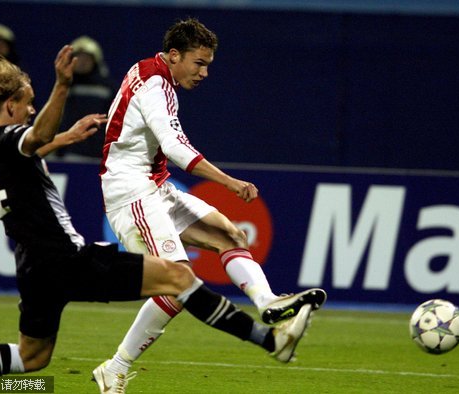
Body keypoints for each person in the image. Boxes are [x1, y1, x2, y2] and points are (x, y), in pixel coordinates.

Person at [0, 45, 316, 394]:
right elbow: (32, 138)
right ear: (11, 104)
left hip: (33, 268)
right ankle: (270, 341)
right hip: (66, 259)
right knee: (180, 279)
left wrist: (67, 137)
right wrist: (61, 86)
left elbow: (28, 150)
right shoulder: (14, 137)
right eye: (28, 101)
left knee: (32, 357)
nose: (33, 108)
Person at [97, 17, 327, 391]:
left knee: (229, 234)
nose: (204, 73)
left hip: (154, 186)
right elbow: (173, 148)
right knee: (176, 286)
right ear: (174, 55)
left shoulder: (153, 73)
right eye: (198, 63)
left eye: (208, 65)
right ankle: (116, 367)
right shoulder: (156, 82)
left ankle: (267, 302)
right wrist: (230, 182)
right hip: (131, 191)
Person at [57, 36, 117, 159]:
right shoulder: (63, 86)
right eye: (78, 57)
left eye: (87, 58)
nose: (82, 62)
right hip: (70, 155)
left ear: (95, 61)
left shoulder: (108, 88)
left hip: (100, 157)